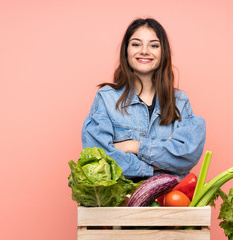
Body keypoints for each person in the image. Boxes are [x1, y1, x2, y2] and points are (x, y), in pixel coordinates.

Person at [81, 18, 206, 181]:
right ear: (126, 50)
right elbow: (99, 159)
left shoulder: (179, 101)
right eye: (136, 44)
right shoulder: (106, 98)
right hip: (120, 203)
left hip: (167, 202)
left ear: (163, 52)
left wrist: (133, 146)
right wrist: (158, 163)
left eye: (153, 45)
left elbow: (187, 154)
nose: (145, 51)